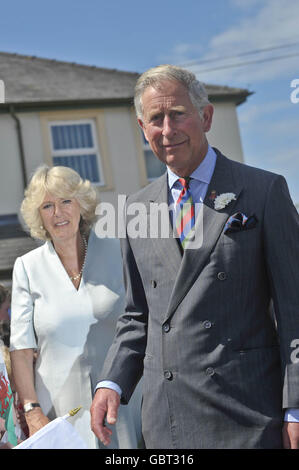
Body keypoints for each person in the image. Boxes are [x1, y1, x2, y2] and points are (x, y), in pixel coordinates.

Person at [90, 64, 299, 449]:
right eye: (155, 119)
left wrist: (296, 407)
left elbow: (295, 309)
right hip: (167, 422)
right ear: (142, 128)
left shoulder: (264, 191)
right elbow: (138, 318)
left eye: (177, 115)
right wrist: (112, 382)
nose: (167, 130)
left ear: (205, 116)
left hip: (249, 415)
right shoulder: (136, 209)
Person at [9, 165, 143, 449]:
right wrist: (32, 411)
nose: (58, 213)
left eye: (66, 201)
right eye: (48, 206)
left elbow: (146, 323)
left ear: (82, 204)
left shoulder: (120, 250)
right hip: (59, 413)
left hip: (124, 404)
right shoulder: (27, 267)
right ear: (39, 216)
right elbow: (20, 349)